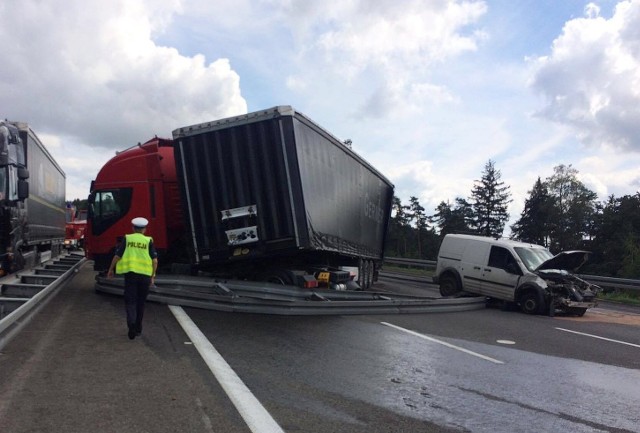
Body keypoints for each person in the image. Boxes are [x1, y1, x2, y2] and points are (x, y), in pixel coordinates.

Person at [107, 217, 158, 340]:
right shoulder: (148, 241)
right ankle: (138, 329)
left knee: (130, 301)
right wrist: (153, 276)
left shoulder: (127, 239)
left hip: (131, 276)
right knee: (141, 303)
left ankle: (131, 324)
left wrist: (110, 270)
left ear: (133, 228)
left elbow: (117, 256)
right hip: (145, 276)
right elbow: (155, 261)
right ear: (144, 229)